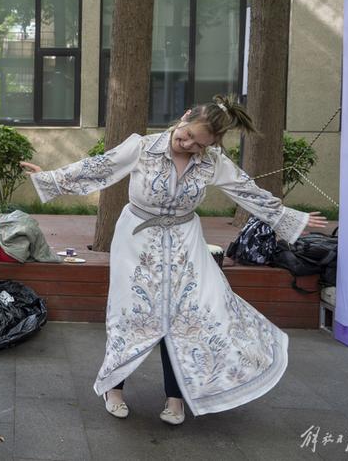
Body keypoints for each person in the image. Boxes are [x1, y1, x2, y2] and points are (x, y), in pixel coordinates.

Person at [21, 94, 327, 425]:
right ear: (184, 116)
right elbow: (100, 167)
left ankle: (176, 398)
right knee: (133, 313)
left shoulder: (212, 162)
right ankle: (113, 387)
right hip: (138, 239)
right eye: (188, 135)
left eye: (199, 144)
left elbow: (246, 190)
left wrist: (290, 218)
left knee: (187, 314)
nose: (189, 144)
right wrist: (51, 177)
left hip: (184, 240)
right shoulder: (142, 146)